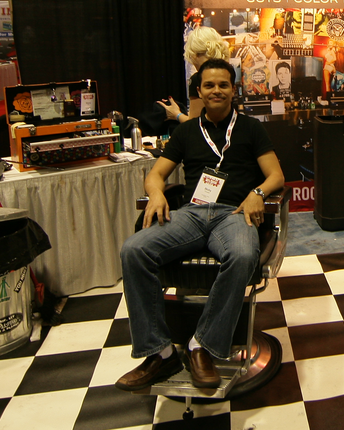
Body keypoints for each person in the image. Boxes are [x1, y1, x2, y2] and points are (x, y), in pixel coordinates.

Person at [115, 58, 284, 391]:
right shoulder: (186, 131)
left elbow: (276, 175)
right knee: (133, 250)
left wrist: (257, 193)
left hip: (234, 214)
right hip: (192, 213)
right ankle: (159, 352)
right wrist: (156, 195)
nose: (216, 90)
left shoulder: (250, 128)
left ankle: (202, 346)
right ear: (199, 91)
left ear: (233, 90)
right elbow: (156, 175)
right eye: (209, 85)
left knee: (242, 255)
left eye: (223, 85)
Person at [159, 26, 231, 124]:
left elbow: (195, 124)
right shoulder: (228, 73)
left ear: (194, 54)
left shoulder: (198, 79)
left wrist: (176, 114)